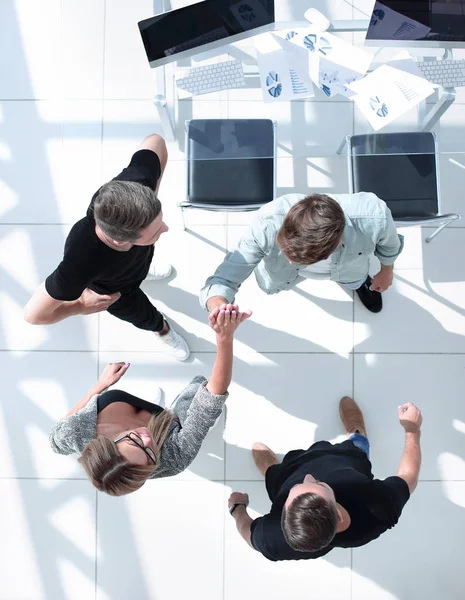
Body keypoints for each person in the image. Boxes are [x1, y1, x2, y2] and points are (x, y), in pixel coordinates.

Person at [49, 304, 251, 496]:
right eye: (150, 454)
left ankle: (151, 410)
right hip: (174, 423)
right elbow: (210, 399)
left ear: (108, 442)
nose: (147, 438)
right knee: (204, 417)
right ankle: (172, 417)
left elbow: (54, 441)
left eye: (134, 440)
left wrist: (100, 386)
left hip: (133, 408)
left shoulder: (74, 432)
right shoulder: (173, 459)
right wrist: (224, 338)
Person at [24, 134, 190, 361]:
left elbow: (156, 142)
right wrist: (80, 306)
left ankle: (145, 271)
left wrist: (148, 200)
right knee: (145, 316)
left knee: (144, 258)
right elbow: (33, 315)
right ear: (121, 241)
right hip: (116, 291)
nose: (165, 229)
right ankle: (163, 330)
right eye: (155, 230)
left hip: (139, 257)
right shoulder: (79, 265)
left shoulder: (136, 184)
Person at [228, 397, 422, 561]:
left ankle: (272, 471)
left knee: (278, 478)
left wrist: (237, 508)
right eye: (319, 485)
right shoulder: (376, 509)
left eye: (297, 488)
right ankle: (356, 433)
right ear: (338, 514)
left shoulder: (274, 537)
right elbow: (408, 478)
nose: (308, 477)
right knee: (359, 447)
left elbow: (248, 533)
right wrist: (412, 430)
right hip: (346, 460)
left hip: (287, 475)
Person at [201, 192, 404, 315]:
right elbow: (226, 276)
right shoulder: (266, 224)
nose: (288, 260)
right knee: (275, 281)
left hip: (349, 267)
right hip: (282, 276)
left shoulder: (375, 217)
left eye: (299, 259)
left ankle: (357, 285)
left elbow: (389, 246)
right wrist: (218, 304)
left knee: (354, 279)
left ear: (335, 246)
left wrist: (387, 270)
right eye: (286, 251)